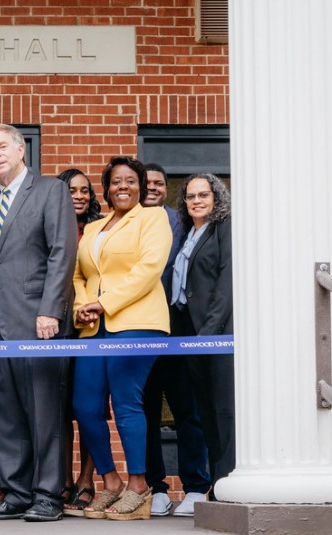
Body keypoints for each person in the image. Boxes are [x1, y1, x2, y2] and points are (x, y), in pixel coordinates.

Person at [0, 124, 77, 523]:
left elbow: (62, 252)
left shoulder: (51, 190)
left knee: (44, 411)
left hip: (39, 321)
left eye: (2, 146)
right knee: (6, 413)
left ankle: (48, 494)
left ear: (20, 150)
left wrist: (51, 309)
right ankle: (16, 492)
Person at [71, 156, 172, 522]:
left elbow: (149, 270)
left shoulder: (152, 218)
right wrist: (83, 305)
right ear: (107, 188)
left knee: (128, 403)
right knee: (84, 405)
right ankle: (110, 482)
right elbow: (79, 275)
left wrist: (104, 303)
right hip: (93, 326)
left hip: (137, 322)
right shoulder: (96, 227)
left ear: (141, 186)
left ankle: (139, 486)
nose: (123, 187)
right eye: (116, 182)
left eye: (131, 181)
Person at [141, 163, 211, 517]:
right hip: (141, 331)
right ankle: (155, 488)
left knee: (189, 412)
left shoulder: (184, 224)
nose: (152, 188)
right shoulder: (127, 223)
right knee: (146, 412)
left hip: (181, 331)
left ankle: (196, 486)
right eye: (147, 183)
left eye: (159, 183)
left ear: (167, 189)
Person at [170, 173, 233, 507]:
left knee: (224, 412)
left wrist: (207, 334)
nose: (196, 201)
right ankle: (216, 484)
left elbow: (226, 284)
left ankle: (228, 483)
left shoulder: (224, 228)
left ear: (216, 197)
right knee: (205, 412)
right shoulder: (188, 232)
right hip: (189, 335)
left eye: (203, 195)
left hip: (217, 335)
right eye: (191, 196)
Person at [55, 168, 102, 517]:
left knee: (89, 408)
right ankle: (64, 480)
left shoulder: (100, 229)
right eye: (72, 190)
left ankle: (87, 480)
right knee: (59, 412)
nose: (80, 196)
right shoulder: (51, 224)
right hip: (55, 327)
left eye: (85, 190)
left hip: (91, 326)